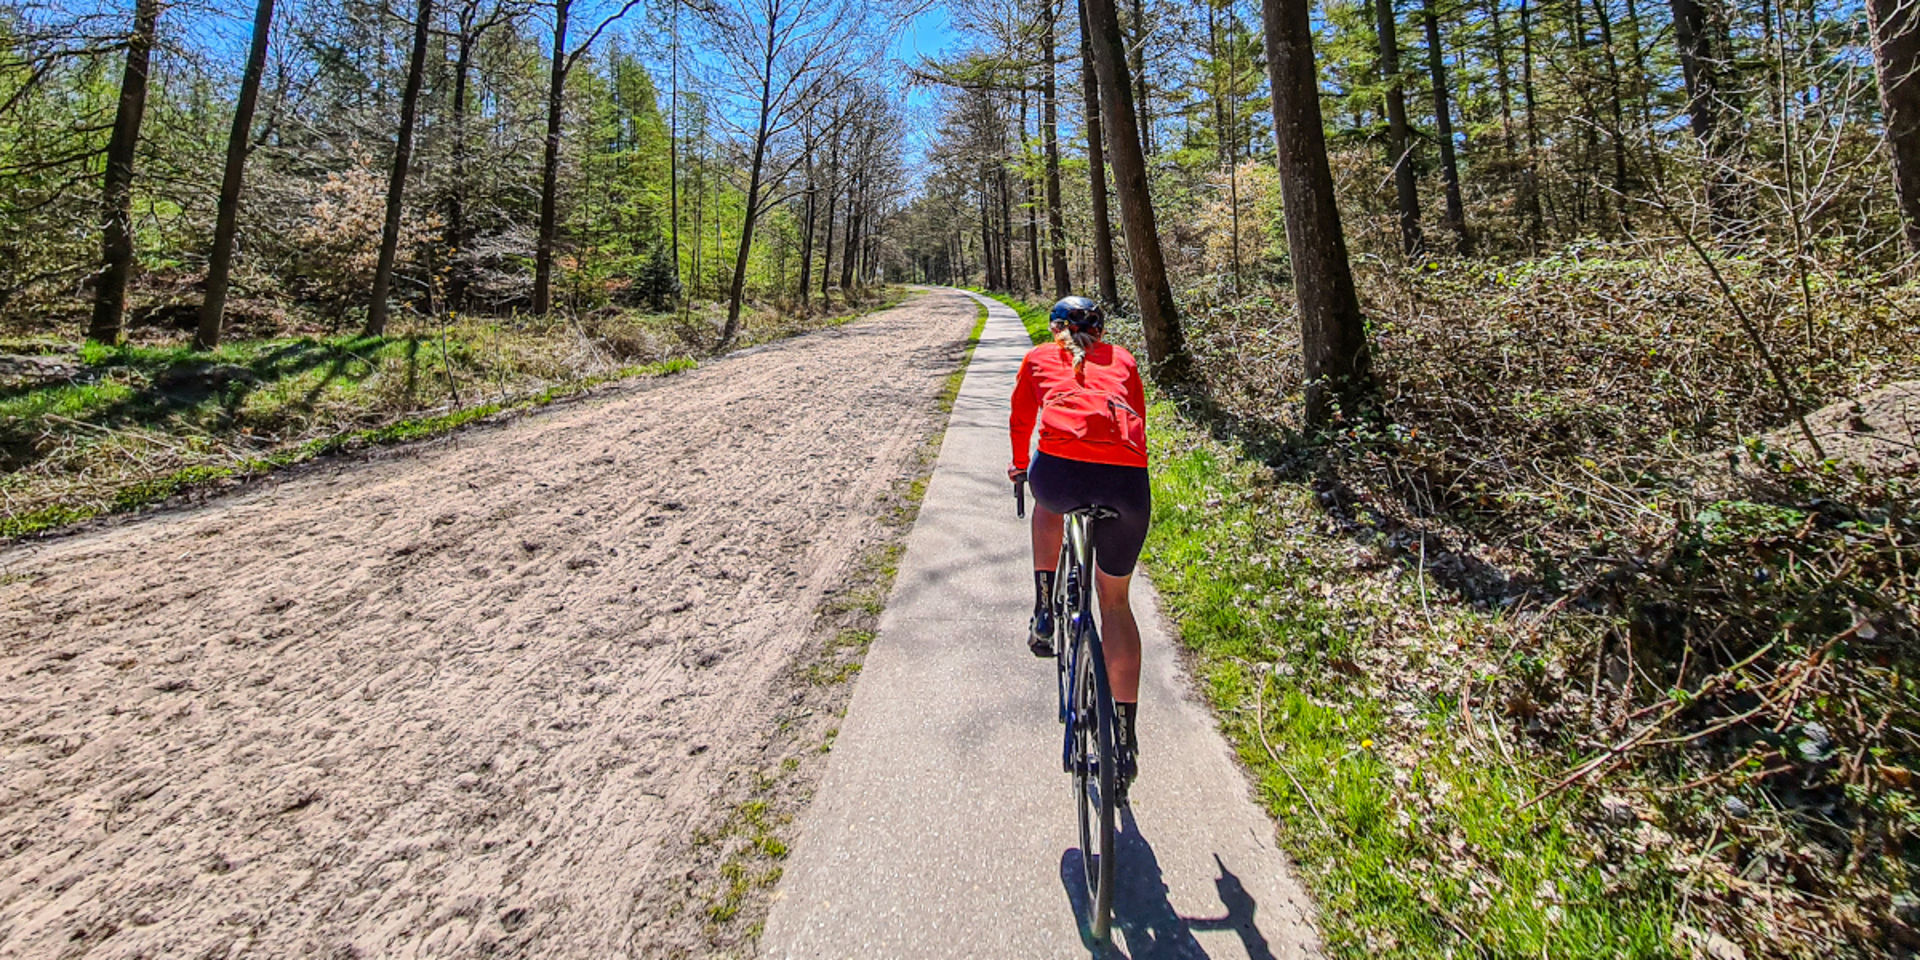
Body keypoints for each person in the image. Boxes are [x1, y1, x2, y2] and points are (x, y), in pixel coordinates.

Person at [1007, 295, 1150, 796]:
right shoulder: (1125, 359)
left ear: (1055, 329)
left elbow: (1023, 420)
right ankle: (1125, 741)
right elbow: (1139, 422)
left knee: (1048, 500)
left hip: (1062, 475)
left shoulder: (1039, 359)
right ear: (1101, 330)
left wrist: (1020, 469)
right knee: (1115, 604)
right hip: (1127, 483)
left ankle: (1044, 606)